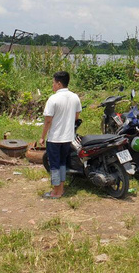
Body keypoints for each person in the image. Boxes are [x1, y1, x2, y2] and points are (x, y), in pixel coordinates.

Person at [38, 71, 81, 199]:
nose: (53, 85)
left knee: (54, 165)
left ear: (59, 83)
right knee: (62, 163)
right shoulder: (75, 97)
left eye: (53, 83)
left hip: (55, 138)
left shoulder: (53, 99)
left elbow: (48, 120)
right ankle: (61, 189)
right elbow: (76, 116)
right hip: (68, 137)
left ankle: (55, 192)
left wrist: (42, 136)